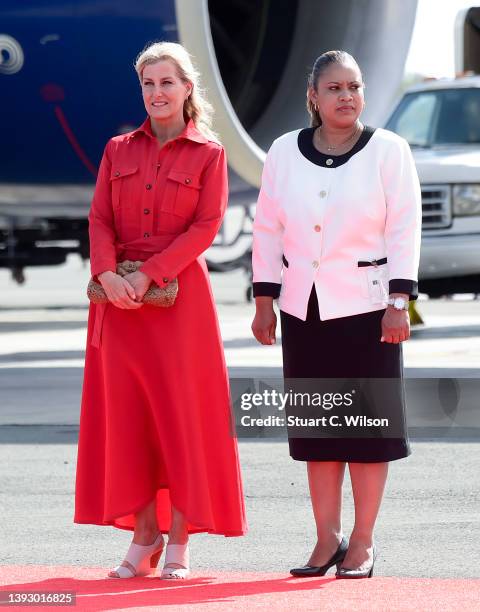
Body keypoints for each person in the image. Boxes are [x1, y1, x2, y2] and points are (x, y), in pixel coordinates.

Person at [74, 41, 247, 579]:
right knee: (129, 422)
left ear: (188, 87)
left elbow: (206, 226)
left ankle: (179, 540)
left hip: (178, 305)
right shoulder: (117, 150)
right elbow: (100, 217)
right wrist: (106, 273)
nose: (156, 93)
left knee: (181, 419)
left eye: (167, 82)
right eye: (148, 84)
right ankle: (143, 535)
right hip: (119, 304)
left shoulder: (210, 155)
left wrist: (148, 274)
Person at [251, 50, 421, 579]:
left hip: (371, 310)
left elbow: (403, 227)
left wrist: (400, 303)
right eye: (334, 88)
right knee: (318, 433)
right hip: (304, 309)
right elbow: (268, 227)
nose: (347, 96)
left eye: (354, 86)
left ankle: (363, 543)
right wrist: (264, 298)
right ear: (314, 97)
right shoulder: (283, 151)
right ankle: (325, 541)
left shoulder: (389, 150)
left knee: (368, 431)